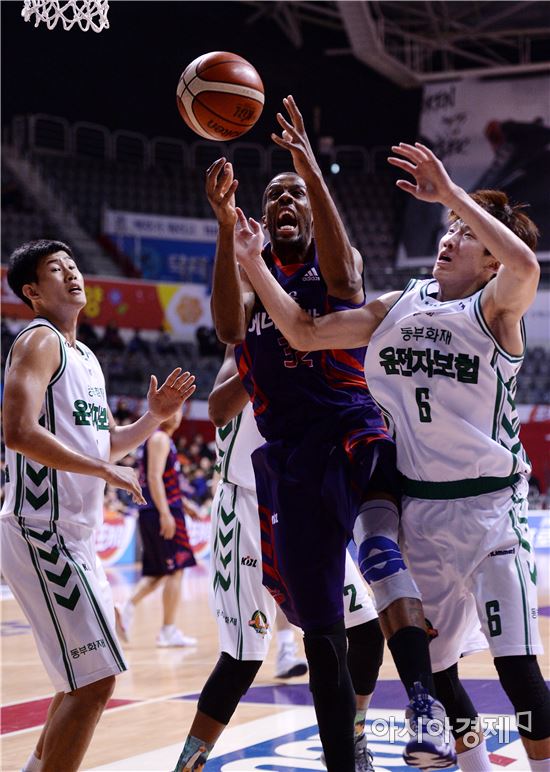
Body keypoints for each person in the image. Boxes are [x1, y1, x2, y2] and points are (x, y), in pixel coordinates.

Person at [235, 140, 550, 772]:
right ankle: (470, 764)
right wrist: (252, 264)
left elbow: (524, 264)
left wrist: (451, 193)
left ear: (489, 261)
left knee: (517, 668)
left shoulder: (495, 309)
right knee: (439, 670)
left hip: (492, 512)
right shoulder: (398, 304)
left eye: (465, 235)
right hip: (422, 513)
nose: (449, 238)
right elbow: (303, 333)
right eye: (448, 229)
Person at [202, 95, 455, 772]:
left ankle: (422, 702)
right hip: (289, 460)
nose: (283, 201)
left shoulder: (332, 266)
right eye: (273, 196)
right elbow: (227, 328)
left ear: (312, 211)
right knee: (320, 635)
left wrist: (308, 167)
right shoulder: (254, 278)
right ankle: (345, 758)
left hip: (353, 432)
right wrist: (226, 229)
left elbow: (346, 278)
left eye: (295, 195)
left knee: (379, 553)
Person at [0, 239, 196, 772]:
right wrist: (103, 471)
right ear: (32, 292)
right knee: (95, 681)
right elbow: (17, 431)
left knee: (78, 680)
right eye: (55, 269)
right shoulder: (38, 341)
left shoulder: (85, 356)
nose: (71, 273)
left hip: (76, 536)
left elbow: (106, 443)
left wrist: (153, 417)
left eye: (73, 264)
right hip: (41, 528)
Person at [175, 345, 384, 772]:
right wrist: (266, 353)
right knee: (243, 658)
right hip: (244, 508)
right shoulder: (246, 344)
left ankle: (352, 740)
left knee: (366, 631)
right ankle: (188, 766)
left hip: (300, 503)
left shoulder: (324, 343)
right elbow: (217, 409)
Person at [115, 408, 199, 648]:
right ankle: (168, 631)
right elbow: (153, 477)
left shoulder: (162, 440)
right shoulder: (160, 438)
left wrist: (184, 504)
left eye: (180, 409)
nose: (178, 413)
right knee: (176, 569)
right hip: (161, 512)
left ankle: (126, 607)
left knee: (158, 573)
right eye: (174, 409)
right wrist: (165, 513)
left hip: (158, 510)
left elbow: (163, 480)